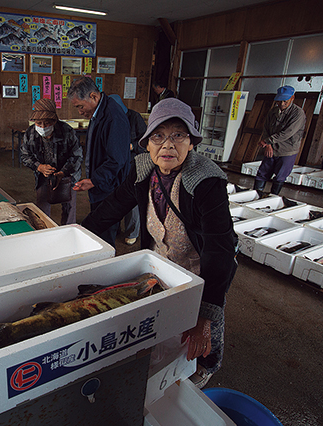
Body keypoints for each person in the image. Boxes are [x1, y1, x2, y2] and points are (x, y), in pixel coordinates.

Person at [81, 98, 238, 388]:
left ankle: (207, 365)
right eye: (158, 136)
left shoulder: (206, 181)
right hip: (162, 259)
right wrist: (77, 236)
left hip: (204, 265)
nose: (168, 145)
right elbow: (112, 208)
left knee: (207, 325)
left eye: (178, 135)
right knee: (167, 316)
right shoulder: (143, 171)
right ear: (147, 144)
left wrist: (205, 316)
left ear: (191, 142)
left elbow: (220, 250)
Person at [68, 76, 131, 247]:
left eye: (80, 106)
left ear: (94, 97)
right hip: (101, 185)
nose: (80, 112)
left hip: (109, 187)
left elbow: (116, 160)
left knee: (104, 234)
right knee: (99, 226)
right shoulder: (99, 112)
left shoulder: (113, 117)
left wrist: (95, 180)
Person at [20, 98, 83, 225]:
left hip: (67, 175)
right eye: (39, 123)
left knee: (69, 208)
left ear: (55, 120)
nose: (43, 127)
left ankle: (69, 232)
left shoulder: (67, 131)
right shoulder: (30, 133)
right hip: (44, 175)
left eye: (47, 123)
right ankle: (45, 233)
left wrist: (62, 173)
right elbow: (25, 155)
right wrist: (39, 167)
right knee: (41, 210)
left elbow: (77, 156)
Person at [253, 85, 306, 196]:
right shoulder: (273, 112)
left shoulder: (298, 114)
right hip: (271, 148)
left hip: (287, 150)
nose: (281, 104)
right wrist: (268, 145)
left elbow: (287, 132)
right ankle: (255, 195)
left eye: (285, 101)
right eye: (279, 101)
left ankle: (273, 198)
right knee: (262, 173)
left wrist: (268, 141)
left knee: (280, 176)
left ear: (292, 98)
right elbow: (266, 128)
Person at [109, 94, 147, 245]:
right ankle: (115, 227)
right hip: (116, 164)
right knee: (115, 197)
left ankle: (132, 231)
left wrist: (132, 146)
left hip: (133, 163)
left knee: (132, 200)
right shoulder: (110, 119)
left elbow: (147, 141)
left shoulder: (134, 117)